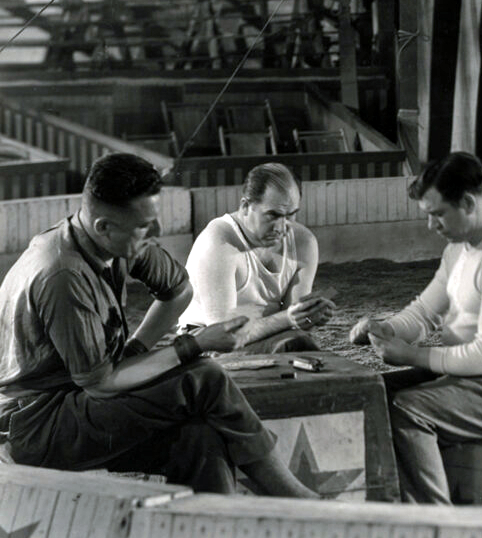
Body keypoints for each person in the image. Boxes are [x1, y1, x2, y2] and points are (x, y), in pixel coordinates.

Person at [0, 152, 317, 496]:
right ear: (103, 227)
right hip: (37, 425)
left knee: (200, 436)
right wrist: (194, 344)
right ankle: (297, 498)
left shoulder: (111, 237)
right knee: (204, 376)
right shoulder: (63, 274)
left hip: (78, 399)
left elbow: (179, 292)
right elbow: (102, 385)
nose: (158, 231)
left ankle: (216, 525)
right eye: (144, 226)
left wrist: (135, 350)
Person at [349, 151, 482, 504]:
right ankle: (392, 506)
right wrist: (385, 329)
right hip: (471, 377)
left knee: (405, 409)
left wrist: (412, 354)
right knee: (372, 391)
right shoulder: (461, 247)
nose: (431, 225)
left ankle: (436, 522)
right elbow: (426, 312)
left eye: (438, 214)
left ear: (469, 202)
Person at [179, 162, 335, 353]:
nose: (281, 227)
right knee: (292, 347)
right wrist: (288, 318)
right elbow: (224, 335)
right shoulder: (219, 242)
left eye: (291, 215)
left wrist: (310, 316)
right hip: (206, 338)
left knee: (301, 345)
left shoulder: (304, 241)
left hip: (270, 331)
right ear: (245, 206)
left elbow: (294, 318)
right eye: (273, 215)